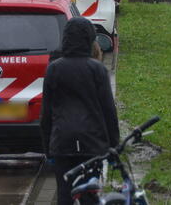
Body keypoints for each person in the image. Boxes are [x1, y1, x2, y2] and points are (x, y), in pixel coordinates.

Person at [40, 17, 119, 205]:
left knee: (64, 194)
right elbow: (108, 111)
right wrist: (113, 145)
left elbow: (46, 114)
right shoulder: (97, 70)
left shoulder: (53, 69)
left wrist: (48, 149)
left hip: (62, 143)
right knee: (89, 195)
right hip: (91, 143)